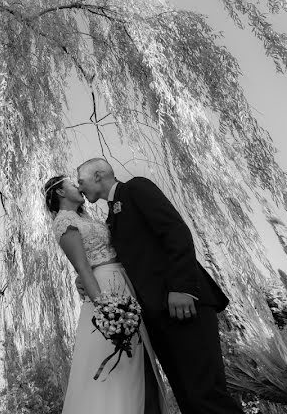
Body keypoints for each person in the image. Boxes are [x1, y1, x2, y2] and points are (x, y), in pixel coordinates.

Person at [75, 158, 244, 414]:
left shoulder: (136, 189)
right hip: (157, 317)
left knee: (206, 394)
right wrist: (87, 274)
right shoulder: (111, 218)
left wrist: (183, 288)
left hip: (184, 305)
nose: (79, 188)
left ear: (98, 175)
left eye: (81, 181)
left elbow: (175, 232)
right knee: (189, 399)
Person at [45, 174, 167, 414]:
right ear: (60, 192)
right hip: (105, 291)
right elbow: (83, 268)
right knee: (119, 360)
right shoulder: (63, 222)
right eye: (73, 184)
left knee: (141, 358)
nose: (79, 187)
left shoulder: (87, 218)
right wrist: (105, 309)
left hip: (124, 284)